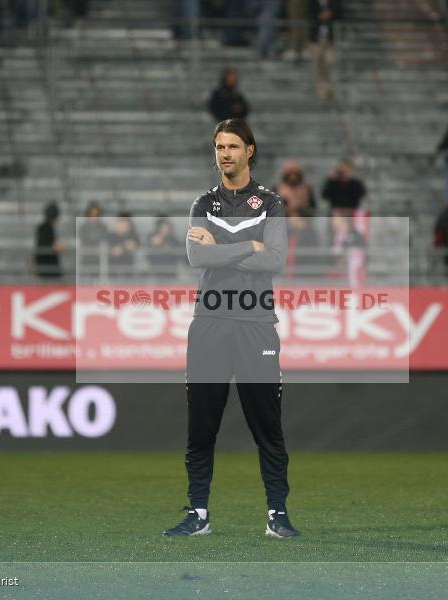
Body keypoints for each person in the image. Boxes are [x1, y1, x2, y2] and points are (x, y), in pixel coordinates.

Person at [163, 118, 297, 539]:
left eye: (233, 146)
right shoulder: (203, 203)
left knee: (267, 427)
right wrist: (248, 246)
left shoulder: (271, 203)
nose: (225, 153)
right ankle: (198, 513)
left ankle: (277, 514)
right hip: (209, 325)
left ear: (249, 151)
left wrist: (219, 249)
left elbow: (275, 260)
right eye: (219, 146)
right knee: (201, 427)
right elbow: (196, 258)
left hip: (256, 324)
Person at [309, 0, 339, 99]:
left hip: (329, 41)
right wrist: (319, 16)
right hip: (316, 40)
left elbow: (340, 13)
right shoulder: (312, 3)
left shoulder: (333, 3)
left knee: (329, 63)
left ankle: (330, 88)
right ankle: (321, 91)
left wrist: (330, 14)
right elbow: (309, 16)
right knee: (317, 66)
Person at [34, 202, 64, 279]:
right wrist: (55, 246)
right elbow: (43, 245)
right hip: (47, 265)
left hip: (47, 265)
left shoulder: (45, 228)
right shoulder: (45, 228)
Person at [106, 212, 139, 277]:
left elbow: (133, 246)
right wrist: (125, 246)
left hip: (129, 270)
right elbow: (113, 251)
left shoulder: (133, 235)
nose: (121, 224)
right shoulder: (111, 236)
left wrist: (121, 248)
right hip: (113, 270)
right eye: (119, 222)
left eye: (124, 222)